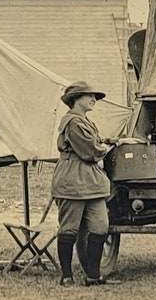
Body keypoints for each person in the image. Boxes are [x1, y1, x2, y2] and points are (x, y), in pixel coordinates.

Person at [52, 80, 125, 287]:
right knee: (69, 230)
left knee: (101, 226)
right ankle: (66, 275)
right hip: (73, 180)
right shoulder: (73, 122)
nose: (94, 100)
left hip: (92, 182)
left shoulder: (85, 121)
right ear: (76, 100)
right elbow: (91, 150)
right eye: (89, 96)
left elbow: (95, 143)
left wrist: (106, 142)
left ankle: (93, 275)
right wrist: (103, 148)